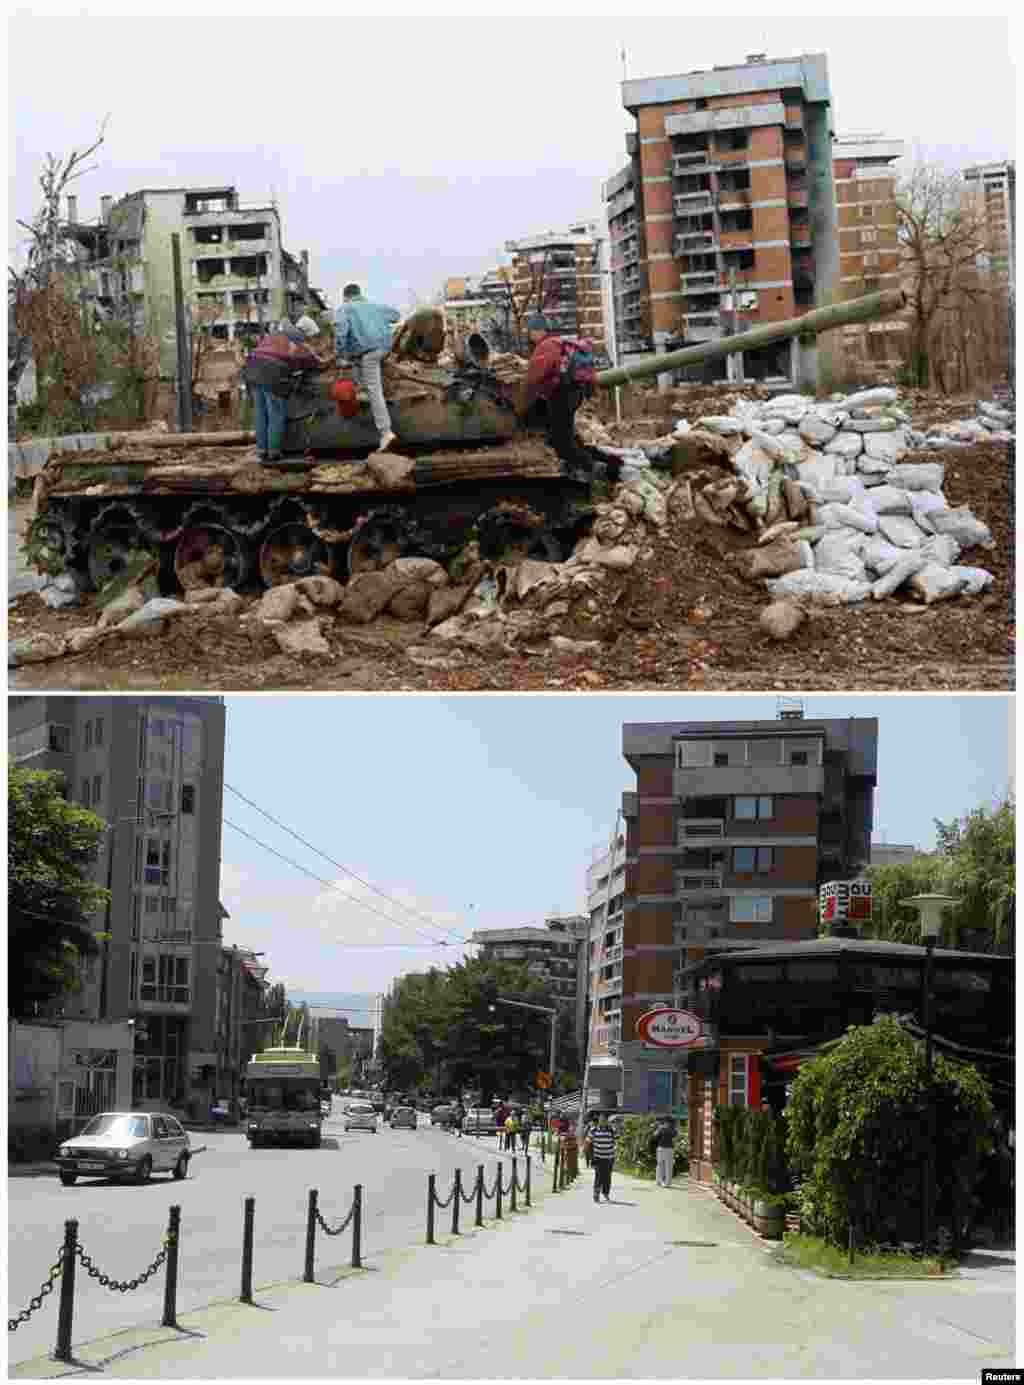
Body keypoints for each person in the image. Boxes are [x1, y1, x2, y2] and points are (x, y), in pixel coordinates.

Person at [516, 314, 596, 480]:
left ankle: (591, 468)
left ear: (538, 330)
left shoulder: (545, 346)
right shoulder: (558, 342)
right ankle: (575, 470)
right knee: (561, 435)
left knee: (561, 440)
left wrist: (520, 406)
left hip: (562, 396)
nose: (529, 335)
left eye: (530, 331)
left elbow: (533, 379)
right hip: (573, 393)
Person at [243, 316, 329, 463]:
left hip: (252, 369)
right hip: (271, 374)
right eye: (310, 337)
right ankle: (274, 453)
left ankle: (262, 451)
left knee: (261, 413)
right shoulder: (300, 344)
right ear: (305, 333)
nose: (310, 339)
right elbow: (317, 365)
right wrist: (331, 359)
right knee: (276, 413)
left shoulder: (275, 335)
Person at [334, 283, 401, 453]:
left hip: (369, 353)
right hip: (385, 348)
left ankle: (386, 432)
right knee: (358, 361)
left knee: (374, 390)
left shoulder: (345, 309)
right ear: (359, 294)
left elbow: (341, 334)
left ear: (346, 297)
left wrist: (341, 356)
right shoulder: (375, 305)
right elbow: (396, 315)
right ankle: (362, 391)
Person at [590, 1112, 616, 1204]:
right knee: (598, 1176)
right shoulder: (594, 1130)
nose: (602, 1121)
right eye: (601, 1120)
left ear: (607, 1121)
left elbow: (617, 1140)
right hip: (598, 1157)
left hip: (609, 1158)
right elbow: (589, 1141)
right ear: (599, 1121)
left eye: (604, 1120)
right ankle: (596, 1193)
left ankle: (605, 1193)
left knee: (607, 1177)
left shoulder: (611, 1130)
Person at [653, 1115, 677, 1188]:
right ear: (671, 1122)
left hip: (660, 1148)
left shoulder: (661, 1128)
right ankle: (667, 1183)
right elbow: (675, 1135)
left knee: (660, 1165)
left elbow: (655, 1136)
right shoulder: (672, 1129)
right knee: (668, 1166)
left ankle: (658, 1181)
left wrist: (659, 1129)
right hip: (669, 1149)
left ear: (665, 1122)